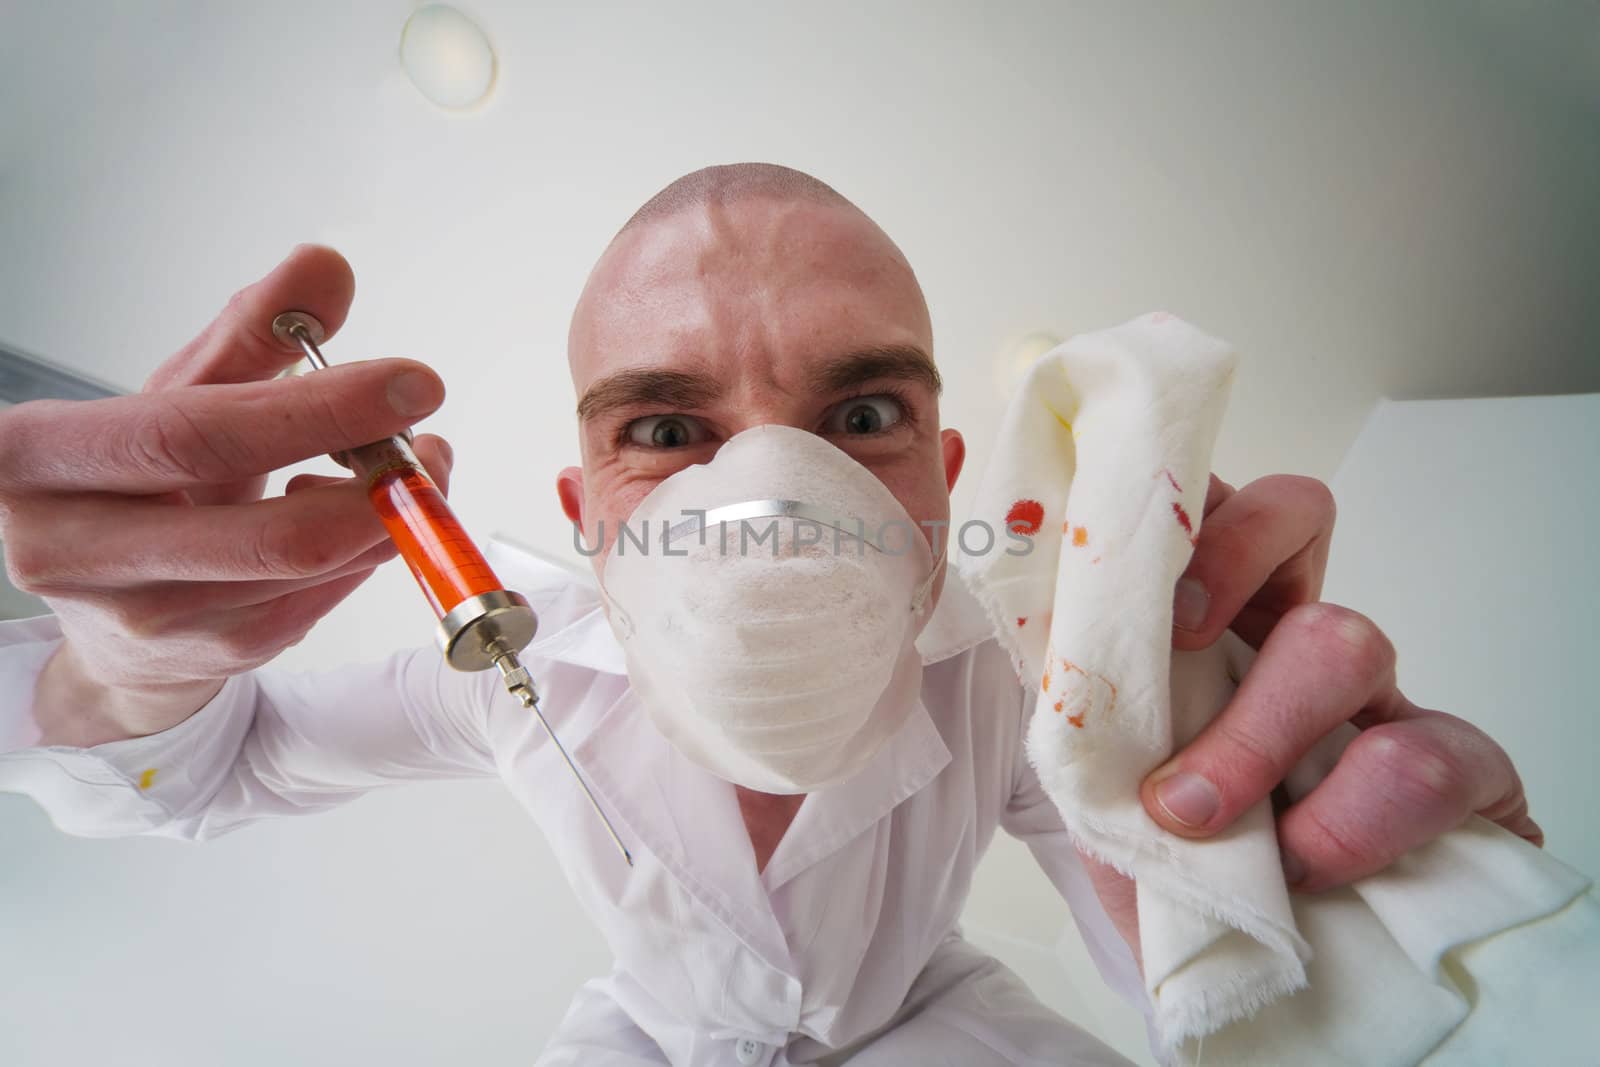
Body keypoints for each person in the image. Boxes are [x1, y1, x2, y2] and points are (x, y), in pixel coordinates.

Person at [0, 164, 1539, 1066]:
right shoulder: (510, 673)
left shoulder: (1020, 679)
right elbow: (211, 770)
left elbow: (1205, 974)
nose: (769, 490)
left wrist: (1331, 917)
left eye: (858, 410)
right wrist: (124, 679)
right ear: (590, 504)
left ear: (942, 481)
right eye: (664, 432)